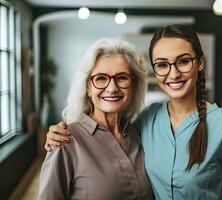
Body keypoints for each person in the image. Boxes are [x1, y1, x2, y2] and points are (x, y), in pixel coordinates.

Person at [45, 24, 222, 200]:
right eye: (163, 65)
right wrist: (55, 137)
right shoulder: (147, 121)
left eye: (183, 61)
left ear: (199, 62)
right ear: (87, 87)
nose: (173, 74)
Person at [38, 38, 153, 200]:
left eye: (121, 78)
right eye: (100, 78)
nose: (112, 88)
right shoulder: (64, 141)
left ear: (133, 86)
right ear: (88, 88)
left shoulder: (139, 133)